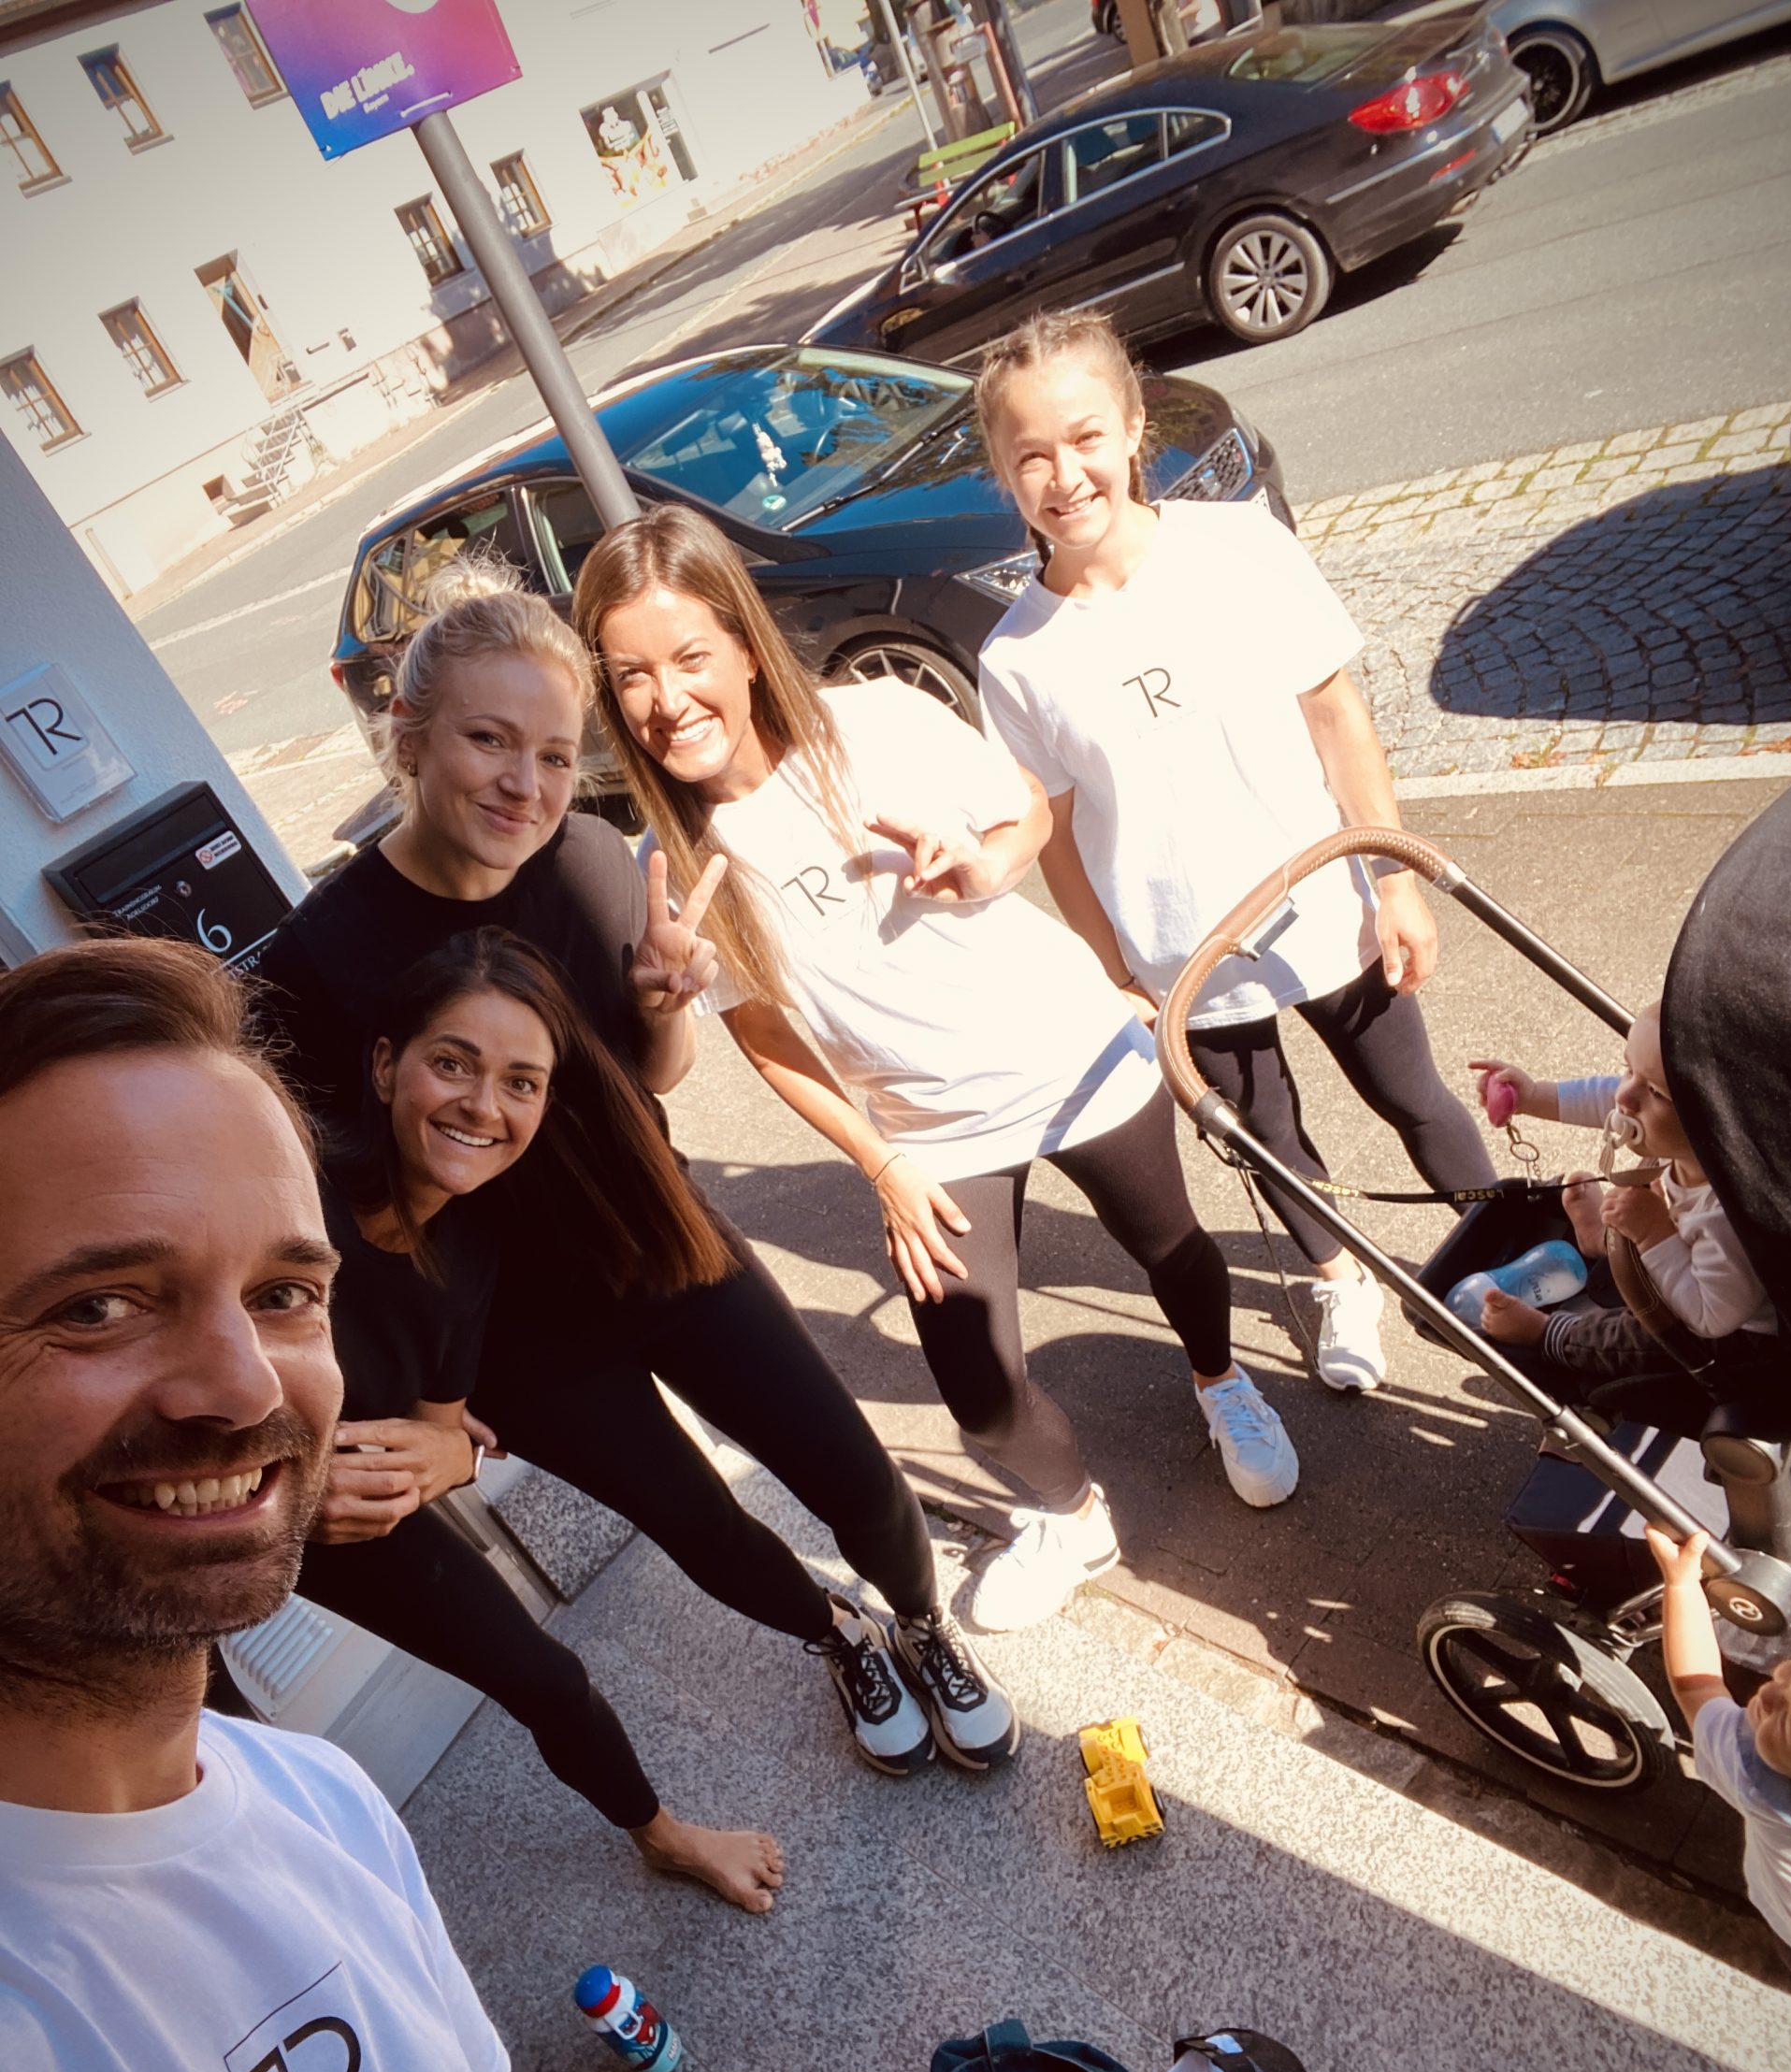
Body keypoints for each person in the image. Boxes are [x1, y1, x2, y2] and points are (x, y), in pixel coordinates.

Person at [0, 939, 743, 2072]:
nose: (243, 1385)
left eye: (286, 1294)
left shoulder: (323, 1804)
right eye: (98, 1305)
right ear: (391, 1071)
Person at [258, 560, 1016, 1776]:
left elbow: (650, 1075)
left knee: (854, 1473)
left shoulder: (593, 861)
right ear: (408, 732)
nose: (525, 784)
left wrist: (668, 1004)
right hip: (518, 1336)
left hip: (662, 1237)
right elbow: (332, 1220)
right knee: (698, 1525)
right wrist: (431, 1409)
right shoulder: (314, 963)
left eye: (556, 755)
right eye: (489, 740)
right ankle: (837, 1633)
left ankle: (921, 1621)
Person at [572, 503, 1299, 1636]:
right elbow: (766, 1035)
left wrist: (987, 865)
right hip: (931, 1131)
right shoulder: (674, 863)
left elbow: (1023, 816)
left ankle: (1221, 1381)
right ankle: (1074, 1516)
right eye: (631, 677)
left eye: (689, 657)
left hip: (1069, 1050)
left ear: (746, 646)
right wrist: (880, 1162)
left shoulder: (874, 720)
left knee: (1171, 1247)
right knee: (978, 1394)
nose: (667, 699)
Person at [973, 307, 1494, 1397]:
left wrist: (1395, 877)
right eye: (1031, 457)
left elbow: (1337, 713)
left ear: (1132, 427)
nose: (1064, 475)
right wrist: (1115, 967)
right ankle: (1337, 1276)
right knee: (1267, 1134)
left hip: (1325, 901)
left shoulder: (1238, 546)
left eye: (1085, 437)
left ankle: (1511, 1261)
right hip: (1187, 952)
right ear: (1004, 474)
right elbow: (1055, 833)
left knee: (1413, 1095)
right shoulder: (1016, 657)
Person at [299, 925, 787, 1911]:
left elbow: (445, 1426)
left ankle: (665, 1839)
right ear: (387, 1066)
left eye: (519, 1082)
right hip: (204, 1516)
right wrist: (294, 1488)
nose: (484, 1106)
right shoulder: (293, 1202)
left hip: (350, 1520)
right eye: (452, 1064)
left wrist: (448, 1454)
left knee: (549, 1679)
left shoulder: (469, 1238)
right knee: (207, 1767)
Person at [1469, 1000, 1784, 1421]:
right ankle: (1602, 1241)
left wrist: (1654, 1232)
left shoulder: (1729, 1213)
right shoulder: (1699, 1142)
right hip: (1699, 1259)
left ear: (1721, 1118)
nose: (1625, 1095)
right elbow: (1609, 1099)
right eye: (1628, 1069)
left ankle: (1547, 1333)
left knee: (1640, 1336)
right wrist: (1534, 1096)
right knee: (1645, 1187)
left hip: (1742, 1339)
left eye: (1656, 1092)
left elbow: (1710, 1317)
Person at [1647, 1526, 1791, 1973]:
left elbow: (1698, 1687)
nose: (1771, 1688)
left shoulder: (1753, 1776)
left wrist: (1681, 1584)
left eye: (1783, 1720)